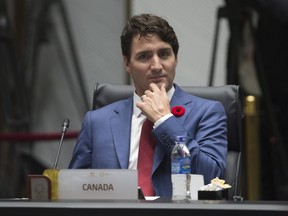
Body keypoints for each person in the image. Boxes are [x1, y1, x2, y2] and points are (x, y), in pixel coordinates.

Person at [69, 13, 227, 197]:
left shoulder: (207, 112)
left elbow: (212, 177)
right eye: (144, 56)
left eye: (164, 54)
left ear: (176, 58)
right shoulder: (97, 122)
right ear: (127, 63)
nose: (157, 65)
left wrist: (165, 121)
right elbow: (73, 189)